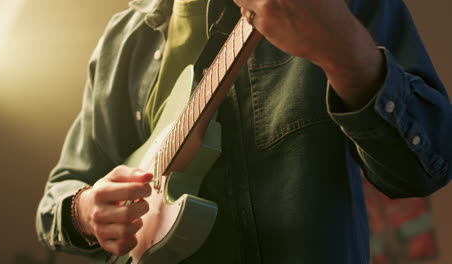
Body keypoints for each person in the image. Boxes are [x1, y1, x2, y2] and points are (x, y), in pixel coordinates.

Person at [36, 0, 452, 263]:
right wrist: (84, 211)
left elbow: (428, 165)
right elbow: (58, 195)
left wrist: (344, 50)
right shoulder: (123, 40)